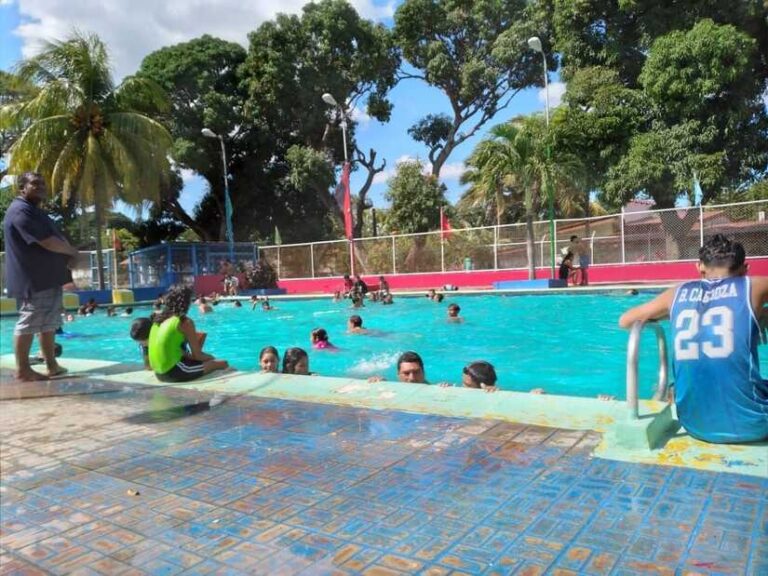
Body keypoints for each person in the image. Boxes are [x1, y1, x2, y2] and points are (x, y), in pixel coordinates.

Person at [619, 234, 768, 444]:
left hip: (693, 424)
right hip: (754, 425)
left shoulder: (677, 294)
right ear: (745, 269)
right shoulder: (755, 286)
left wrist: (670, 312)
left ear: (699, 268)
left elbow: (626, 321)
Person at [2, 172, 78, 381]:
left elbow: (53, 238)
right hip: (33, 279)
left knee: (48, 322)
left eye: (43, 183)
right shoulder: (20, 212)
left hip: (48, 278)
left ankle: (51, 364)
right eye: (35, 183)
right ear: (21, 188)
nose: (41, 186)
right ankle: (23, 369)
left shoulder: (35, 211)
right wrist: (71, 251)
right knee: (29, 321)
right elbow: (46, 241)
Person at [148, 285, 229, 382]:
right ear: (187, 303)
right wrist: (212, 358)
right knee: (223, 363)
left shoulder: (157, 320)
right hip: (175, 372)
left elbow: (172, 349)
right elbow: (197, 355)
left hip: (158, 372)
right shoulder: (184, 321)